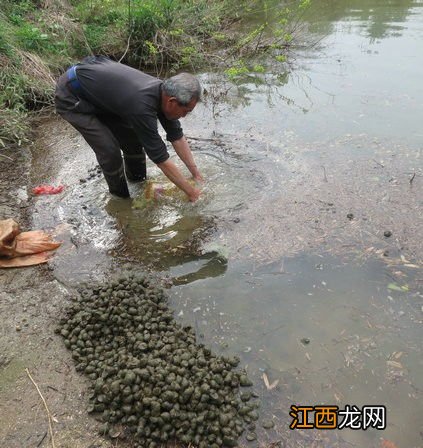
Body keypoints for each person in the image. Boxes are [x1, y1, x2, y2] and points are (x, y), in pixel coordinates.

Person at [54, 55, 203, 201]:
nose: (184, 116)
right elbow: (160, 158)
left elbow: (176, 136)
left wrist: (196, 174)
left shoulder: (165, 94)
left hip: (100, 91)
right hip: (73, 95)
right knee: (109, 150)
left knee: (132, 141)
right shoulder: (142, 106)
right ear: (172, 102)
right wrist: (191, 192)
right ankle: (121, 199)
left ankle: (139, 183)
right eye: (186, 111)